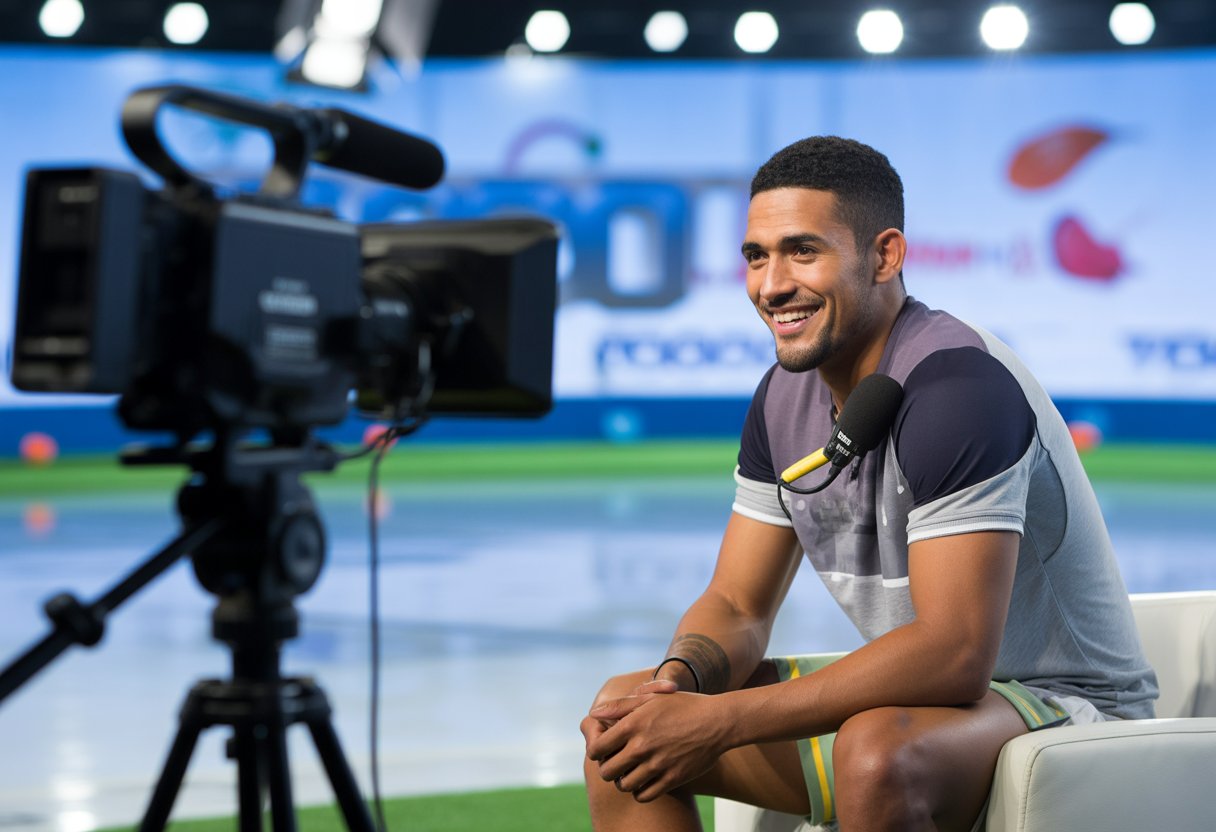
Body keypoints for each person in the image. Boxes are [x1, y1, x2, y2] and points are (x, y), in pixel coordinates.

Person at [580, 136, 1158, 832]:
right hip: (929, 710)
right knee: (621, 725)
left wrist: (722, 719)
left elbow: (953, 653)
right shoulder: (780, 397)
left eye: (802, 251)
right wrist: (677, 683)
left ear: (885, 256)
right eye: (756, 256)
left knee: (877, 754)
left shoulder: (958, 387)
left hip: (1072, 710)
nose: (771, 285)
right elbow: (736, 604)